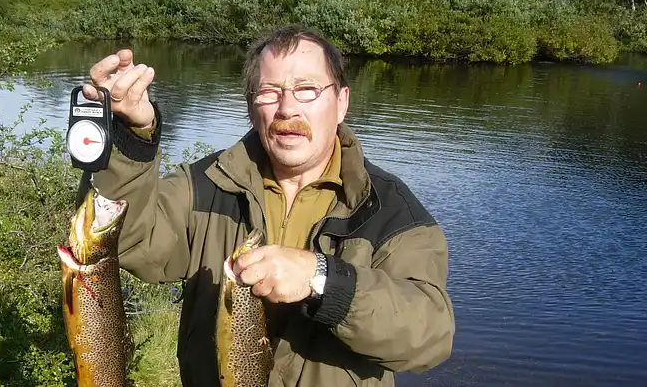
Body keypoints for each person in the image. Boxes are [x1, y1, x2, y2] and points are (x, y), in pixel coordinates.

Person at [77, 25, 455, 386]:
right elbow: (124, 243)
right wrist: (131, 137)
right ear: (250, 107)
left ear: (341, 103)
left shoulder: (390, 210)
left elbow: (429, 337)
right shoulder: (206, 183)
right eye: (269, 91)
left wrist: (323, 280)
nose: (287, 108)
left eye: (306, 89)